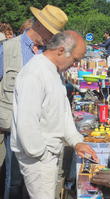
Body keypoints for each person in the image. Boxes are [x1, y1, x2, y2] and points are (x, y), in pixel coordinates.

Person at [11, 30, 98, 199]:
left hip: (46, 153)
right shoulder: (34, 73)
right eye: (75, 60)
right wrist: (40, 154)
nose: (75, 65)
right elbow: (26, 122)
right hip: (38, 157)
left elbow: (62, 111)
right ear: (60, 50)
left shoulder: (53, 71)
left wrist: (76, 142)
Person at [0, 5, 68, 199]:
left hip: (43, 131)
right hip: (14, 129)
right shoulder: (8, 49)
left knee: (37, 182)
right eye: (50, 32)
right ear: (39, 25)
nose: (52, 38)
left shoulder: (50, 54)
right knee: (13, 183)